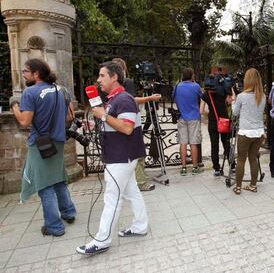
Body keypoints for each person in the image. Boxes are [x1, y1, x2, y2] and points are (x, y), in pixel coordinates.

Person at [77, 61, 148, 255]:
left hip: (121, 157)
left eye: (102, 76)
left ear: (114, 77)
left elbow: (126, 127)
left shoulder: (124, 99)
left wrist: (103, 116)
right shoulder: (114, 99)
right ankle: (140, 226)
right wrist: (98, 122)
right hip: (121, 156)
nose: (98, 80)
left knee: (112, 199)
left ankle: (102, 240)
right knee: (132, 192)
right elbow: (116, 124)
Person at [10, 58, 76, 237]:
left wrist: (14, 106)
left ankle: (54, 226)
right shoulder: (61, 89)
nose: (23, 74)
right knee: (57, 177)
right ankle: (68, 212)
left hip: (40, 143)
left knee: (44, 184)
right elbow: (69, 118)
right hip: (59, 140)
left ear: (36, 74)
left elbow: (24, 121)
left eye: (25, 71)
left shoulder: (30, 92)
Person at [112, 57, 161, 192]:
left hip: (118, 123)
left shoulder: (111, 85)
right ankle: (140, 181)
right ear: (124, 69)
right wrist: (150, 98)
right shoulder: (127, 82)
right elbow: (131, 100)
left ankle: (130, 179)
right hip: (132, 122)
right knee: (138, 152)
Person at [231, 68, 265, 194]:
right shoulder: (263, 97)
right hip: (259, 133)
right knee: (253, 159)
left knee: (241, 159)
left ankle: (238, 187)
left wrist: (233, 101)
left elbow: (234, 113)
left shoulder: (241, 96)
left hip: (245, 132)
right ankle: (253, 185)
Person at [200, 75, 232, 176]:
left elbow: (201, 111)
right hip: (224, 121)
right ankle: (233, 165)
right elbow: (230, 101)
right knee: (226, 143)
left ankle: (217, 169)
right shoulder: (224, 91)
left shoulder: (206, 94)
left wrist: (209, 114)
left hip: (213, 123)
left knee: (214, 146)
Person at [173, 67, 203, 176]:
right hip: (194, 117)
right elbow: (202, 97)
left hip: (181, 117)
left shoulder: (178, 86)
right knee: (194, 143)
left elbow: (174, 98)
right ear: (191, 75)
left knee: (183, 143)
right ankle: (195, 167)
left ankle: (184, 168)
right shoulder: (196, 86)